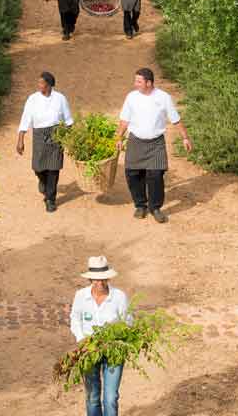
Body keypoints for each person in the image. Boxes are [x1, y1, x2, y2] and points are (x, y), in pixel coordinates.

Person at [115, 68, 193, 223]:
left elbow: (175, 119)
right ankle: (140, 205)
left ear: (149, 83)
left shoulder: (163, 97)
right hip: (135, 140)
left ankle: (155, 208)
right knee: (132, 174)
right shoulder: (131, 97)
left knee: (156, 176)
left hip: (156, 142)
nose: (135, 84)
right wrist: (118, 137)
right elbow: (124, 120)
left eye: (138, 81)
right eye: (135, 80)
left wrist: (185, 138)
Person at [70, 256, 131, 416]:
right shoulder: (81, 296)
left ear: (109, 278)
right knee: (92, 397)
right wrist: (81, 339)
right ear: (90, 279)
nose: (100, 283)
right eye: (96, 280)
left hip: (113, 351)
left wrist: (119, 335)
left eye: (103, 279)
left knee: (110, 398)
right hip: (89, 350)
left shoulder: (119, 297)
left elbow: (128, 321)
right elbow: (75, 319)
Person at [17, 71, 74, 212]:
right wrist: (20, 139)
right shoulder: (32, 99)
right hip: (39, 134)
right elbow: (25, 119)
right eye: (39, 82)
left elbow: (68, 120)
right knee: (38, 167)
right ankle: (43, 182)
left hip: (56, 135)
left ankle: (50, 199)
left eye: (41, 83)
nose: (39, 85)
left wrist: (70, 138)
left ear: (49, 85)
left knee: (54, 168)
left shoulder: (60, 99)